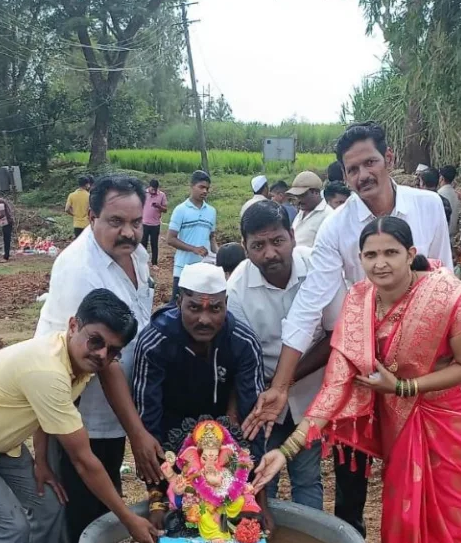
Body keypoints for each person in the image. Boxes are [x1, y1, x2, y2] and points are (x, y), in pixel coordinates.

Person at [242, 121, 452, 537]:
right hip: (360, 360)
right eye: (352, 169)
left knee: (418, 477)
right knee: (350, 477)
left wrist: (435, 375)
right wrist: (281, 385)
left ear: (389, 159)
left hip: (419, 367)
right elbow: (309, 306)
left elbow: (446, 282)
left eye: (370, 162)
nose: (363, 176)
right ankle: (350, 539)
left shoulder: (428, 207)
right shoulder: (336, 228)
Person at [252, 216, 461, 543]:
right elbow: (336, 384)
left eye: (390, 253)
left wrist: (403, 388)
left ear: (410, 253)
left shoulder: (447, 296)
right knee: (404, 510)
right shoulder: (358, 302)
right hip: (405, 421)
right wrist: (284, 452)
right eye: (370, 255)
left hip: (455, 420)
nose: (380, 264)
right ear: (360, 259)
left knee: (451, 516)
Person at [0, 289, 158, 543]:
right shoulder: (48, 370)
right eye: (96, 341)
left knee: (47, 507)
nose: (103, 355)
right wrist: (128, 519)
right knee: (11, 527)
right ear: (73, 326)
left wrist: (43, 461)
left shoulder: (72, 358)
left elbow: (43, 414)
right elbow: (84, 461)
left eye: (113, 350)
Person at [35, 175, 164, 543]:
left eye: (136, 223)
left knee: (103, 490)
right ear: (91, 216)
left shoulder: (136, 255)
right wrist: (137, 433)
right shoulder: (79, 269)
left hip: (117, 407)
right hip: (81, 412)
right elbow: (103, 362)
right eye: (115, 221)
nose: (128, 232)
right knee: (85, 507)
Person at [131, 262, 267, 529]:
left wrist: (256, 497)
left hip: (223, 438)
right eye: (194, 308)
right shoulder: (155, 342)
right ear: (179, 301)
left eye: (215, 308)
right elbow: (148, 421)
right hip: (171, 429)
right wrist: (156, 495)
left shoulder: (243, 342)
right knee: (178, 515)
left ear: (226, 303)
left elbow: (253, 423)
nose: (205, 319)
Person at [227, 202, 344, 511]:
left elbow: (336, 335)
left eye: (277, 241)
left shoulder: (319, 269)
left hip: (310, 399)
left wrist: (285, 381)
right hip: (261, 403)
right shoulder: (237, 288)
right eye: (258, 245)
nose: (270, 253)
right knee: (264, 478)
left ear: (292, 236)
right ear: (245, 247)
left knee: (306, 477)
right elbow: (239, 354)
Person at [166, 170, 218, 300]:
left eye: (207, 188)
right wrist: (194, 249)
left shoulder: (211, 212)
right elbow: (170, 239)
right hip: (183, 269)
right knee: (177, 308)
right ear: (192, 186)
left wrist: (218, 256)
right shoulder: (181, 210)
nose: (205, 191)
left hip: (204, 269)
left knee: (200, 307)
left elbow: (211, 238)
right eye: (201, 187)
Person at [287, 171, 332, 248]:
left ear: (316, 193)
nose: (298, 200)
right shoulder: (301, 213)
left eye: (302, 196)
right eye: (296, 196)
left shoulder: (328, 215)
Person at [142, 179, 168, 268]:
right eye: (152, 189)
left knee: (154, 244)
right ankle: (143, 263)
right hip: (144, 223)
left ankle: (154, 263)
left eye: (155, 189)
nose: (154, 191)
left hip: (155, 224)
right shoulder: (143, 194)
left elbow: (165, 209)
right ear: (149, 187)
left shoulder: (161, 195)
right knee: (143, 244)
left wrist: (159, 206)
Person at [437, 165, 461, 237]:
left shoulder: (438, 194)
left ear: (441, 178)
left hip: (441, 234)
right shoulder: (457, 194)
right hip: (452, 234)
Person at [0, 190, 16, 261]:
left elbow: (3, 214)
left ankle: (6, 256)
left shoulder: (0, 202)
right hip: (5, 222)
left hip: (7, 222)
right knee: (6, 238)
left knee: (7, 239)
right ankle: (6, 254)